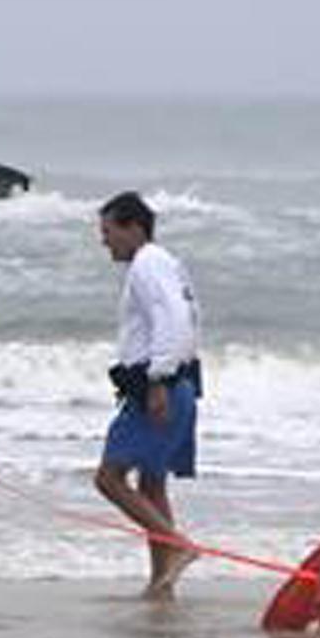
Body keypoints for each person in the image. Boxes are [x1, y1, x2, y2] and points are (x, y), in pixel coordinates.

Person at [92, 190, 204, 598]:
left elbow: (173, 320)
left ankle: (178, 547)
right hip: (180, 385)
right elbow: (191, 320)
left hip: (161, 387)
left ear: (133, 227)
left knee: (108, 479)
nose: (104, 241)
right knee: (152, 487)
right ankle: (162, 582)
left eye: (108, 232)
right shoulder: (166, 263)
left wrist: (158, 379)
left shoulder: (148, 264)